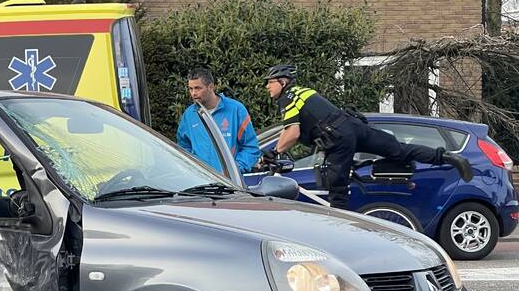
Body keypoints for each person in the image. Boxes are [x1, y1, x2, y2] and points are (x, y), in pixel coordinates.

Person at [263, 63, 473, 210]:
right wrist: (274, 150)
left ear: (282, 82)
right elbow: (287, 130)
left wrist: (275, 151)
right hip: (353, 126)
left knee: (337, 189)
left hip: (338, 139)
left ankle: (337, 234)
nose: (267, 87)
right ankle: (448, 157)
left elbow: (293, 132)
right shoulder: (303, 91)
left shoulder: (287, 99)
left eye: (270, 82)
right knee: (399, 150)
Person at [176, 67, 261, 174]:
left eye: (197, 88)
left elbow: (251, 147)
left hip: (230, 182)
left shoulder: (236, 110)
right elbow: (183, 147)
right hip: (201, 181)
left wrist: (235, 170)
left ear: (211, 87)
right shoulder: (189, 115)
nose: (193, 93)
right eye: (190, 89)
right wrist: (192, 169)